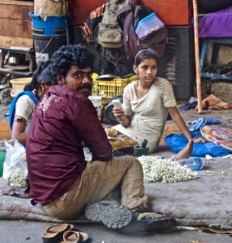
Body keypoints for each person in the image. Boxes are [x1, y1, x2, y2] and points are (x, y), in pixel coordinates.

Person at [26, 44, 175, 232]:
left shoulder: (49, 96)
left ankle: (103, 204)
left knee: (100, 169)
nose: (86, 81)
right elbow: (104, 152)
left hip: (46, 198)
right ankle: (135, 211)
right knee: (130, 163)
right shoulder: (77, 101)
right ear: (60, 78)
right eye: (78, 75)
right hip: (66, 199)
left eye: (89, 75)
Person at [113, 48, 203, 158]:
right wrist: (121, 117)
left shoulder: (163, 86)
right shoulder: (129, 89)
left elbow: (174, 114)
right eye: (144, 67)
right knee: (97, 136)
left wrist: (190, 139)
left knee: (107, 148)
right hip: (126, 131)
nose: (149, 72)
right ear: (135, 68)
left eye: (153, 67)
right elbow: (126, 123)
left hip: (144, 140)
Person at [8, 63, 55, 145]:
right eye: (57, 87)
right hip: (27, 152)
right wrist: (49, 135)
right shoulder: (26, 101)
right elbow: (16, 137)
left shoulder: (48, 100)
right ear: (43, 85)